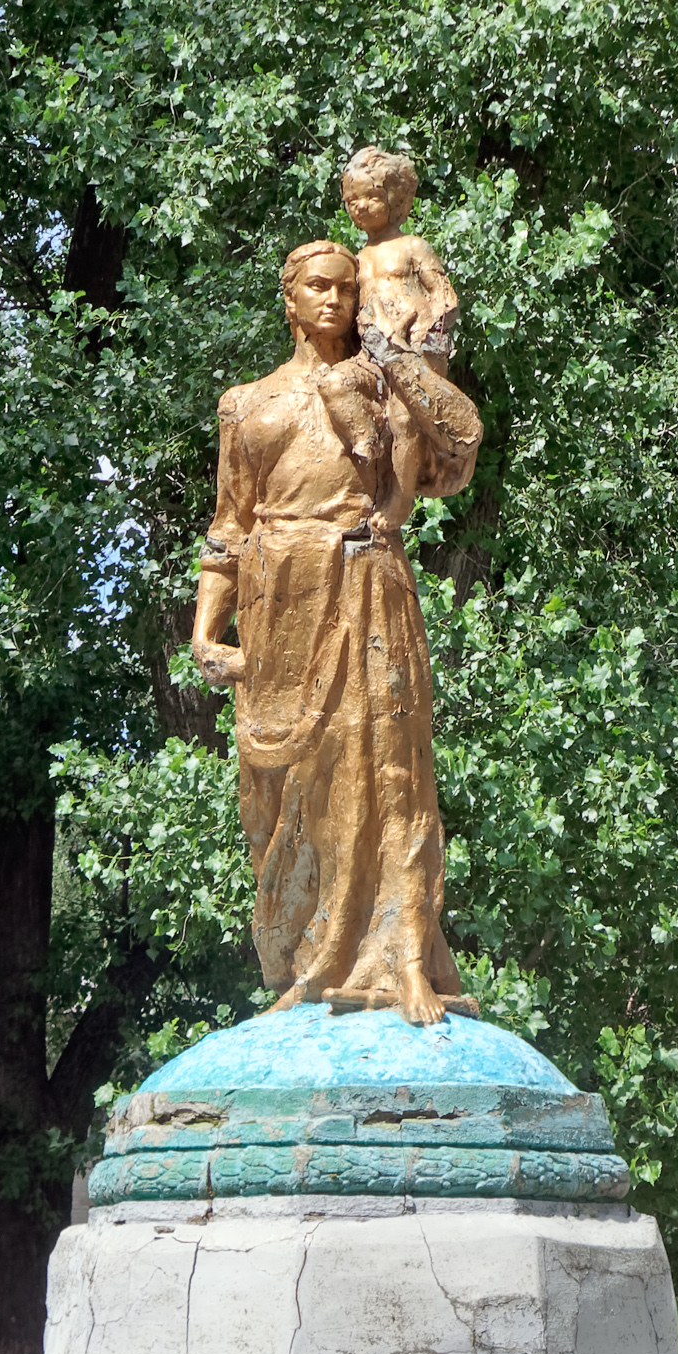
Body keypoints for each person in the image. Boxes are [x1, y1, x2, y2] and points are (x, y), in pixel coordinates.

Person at [188, 240, 476, 1024]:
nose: (335, 301)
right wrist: (207, 625)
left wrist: (413, 359)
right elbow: (229, 527)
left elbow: (456, 454)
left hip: (364, 583)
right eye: (318, 287)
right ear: (289, 298)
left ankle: (400, 954)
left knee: (389, 770)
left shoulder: (381, 390)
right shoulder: (246, 404)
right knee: (285, 803)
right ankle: (308, 964)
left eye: (347, 289)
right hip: (279, 606)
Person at [338, 146, 482, 504]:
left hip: (419, 347)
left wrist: (426, 335)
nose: (360, 207)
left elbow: (445, 298)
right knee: (373, 413)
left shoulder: (413, 246)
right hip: (375, 348)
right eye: (352, 200)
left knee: (405, 420)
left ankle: (399, 502)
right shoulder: (355, 260)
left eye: (371, 197)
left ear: (395, 197)